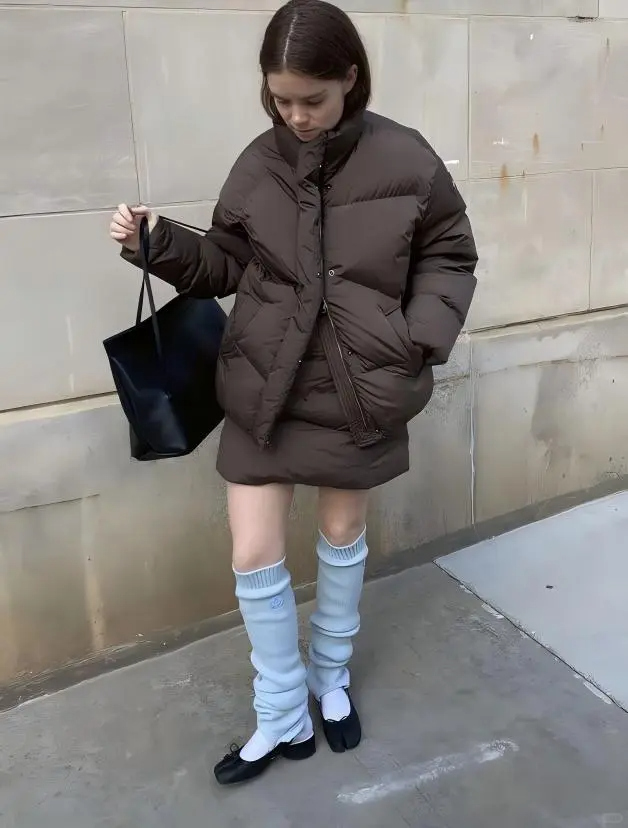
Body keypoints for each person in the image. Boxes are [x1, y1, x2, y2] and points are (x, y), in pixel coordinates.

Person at [110, 0, 477, 787]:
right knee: (252, 551)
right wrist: (156, 244)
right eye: (281, 100)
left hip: (359, 386)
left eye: (312, 98)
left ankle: (329, 677)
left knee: (342, 535)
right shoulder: (257, 162)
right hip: (262, 384)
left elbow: (450, 252)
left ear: (350, 77)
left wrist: (415, 339)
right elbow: (225, 263)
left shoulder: (407, 158)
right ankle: (281, 709)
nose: (296, 116)